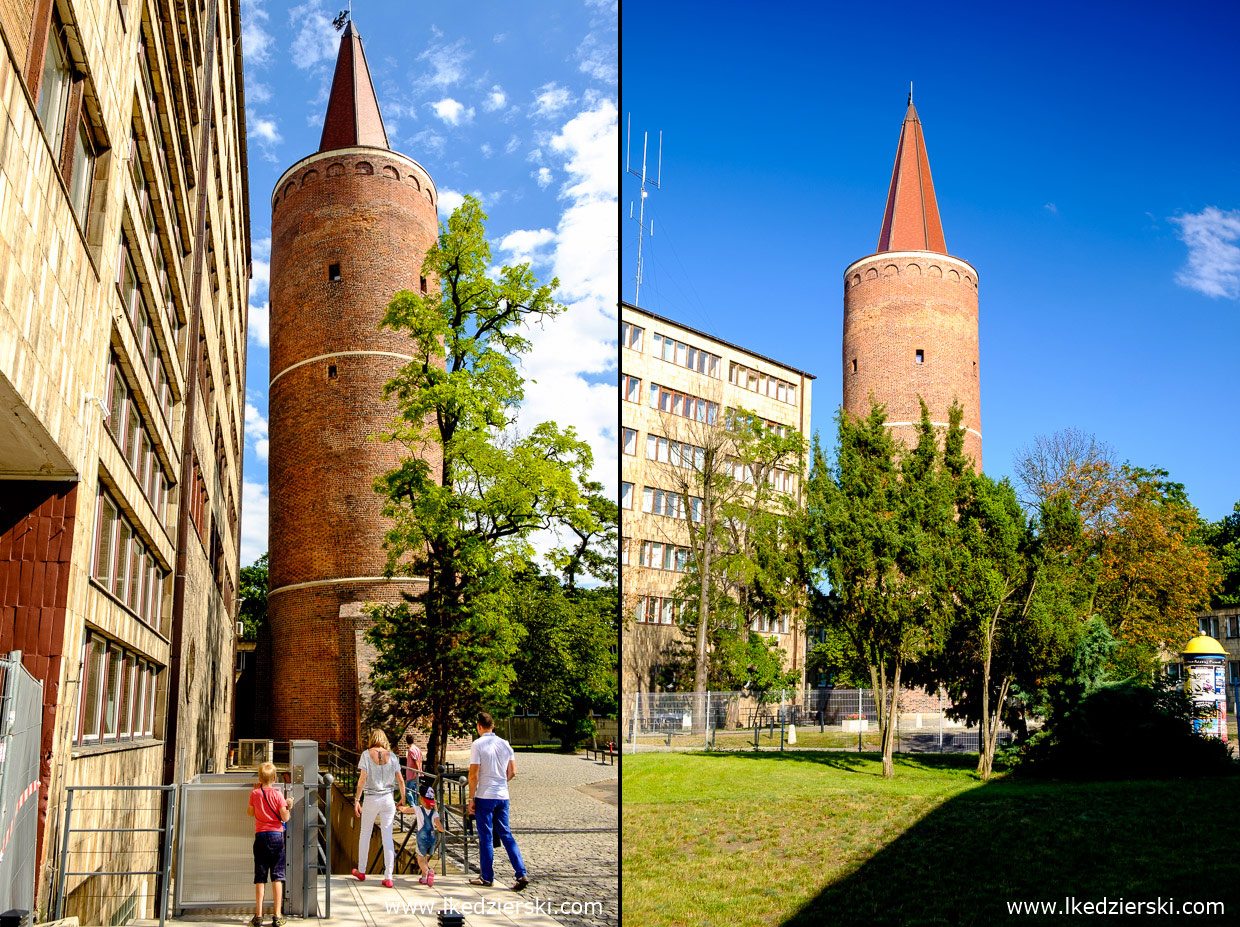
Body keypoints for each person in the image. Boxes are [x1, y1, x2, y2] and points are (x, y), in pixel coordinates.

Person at [467, 711, 529, 891]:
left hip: (485, 795)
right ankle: (521, 872)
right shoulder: (505, 744)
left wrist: (472, 797)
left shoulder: (478, 745)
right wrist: (501, 782)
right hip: (502, 795)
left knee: (486, 837)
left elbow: (473, 774)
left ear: (479, 726)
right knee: (506, 834)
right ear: (492, 726)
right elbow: (513, 771)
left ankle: (487, 876)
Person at [352, 729, 404, 887]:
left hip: (371, 798)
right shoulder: (393, 756)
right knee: (387, 837)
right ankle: (388, 876)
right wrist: (402, 797)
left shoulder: (366, 755)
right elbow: (400, 780)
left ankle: (362, 871)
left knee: (365, 833)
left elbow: (362, 779)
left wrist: (356, 799)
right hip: (388, 798)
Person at [247, 761, 294, 927]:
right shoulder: (277, 795)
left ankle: (258, 915)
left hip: (260, 836)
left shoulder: (255, 794)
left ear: (260, 778)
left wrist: (255, 793)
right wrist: (289, 805)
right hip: (276, 837)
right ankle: (277, 915)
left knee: (260, 876)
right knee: (277, 876)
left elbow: (250, 813)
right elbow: (285, 817)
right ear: (274, 778)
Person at [412, 783, 443, 886]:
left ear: (421, 798)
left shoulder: (418, 809)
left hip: (422, 838)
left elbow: (406, 810)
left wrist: (399, 808)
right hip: (432, 838)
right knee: (425, 857)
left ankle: (428, 871)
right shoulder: (435, 813)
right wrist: (442, 831)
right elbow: (438, 825)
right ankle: (424, 878)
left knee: (420, 860)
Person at [404, 735, 424, 805]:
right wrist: (420, 770)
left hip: (412, 773)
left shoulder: (411, 750)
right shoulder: (417, 749)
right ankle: (416, 804)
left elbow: (415, 760)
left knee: (407, 790)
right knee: (415, 790)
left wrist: (417, 771)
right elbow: (420, 760)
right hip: (416, 772)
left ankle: (413, 805)